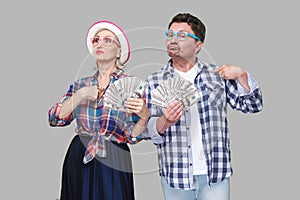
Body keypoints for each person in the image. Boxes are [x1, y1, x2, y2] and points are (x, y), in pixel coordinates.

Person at [145, 13, 263, 200]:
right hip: (176, 176)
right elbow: (145, 130)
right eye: (170, 35)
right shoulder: (154, 81)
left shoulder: (218, 76)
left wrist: (241, 74)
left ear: (198, 45)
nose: (172, 40)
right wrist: (164, 121)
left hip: (214, 175)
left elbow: (253, 105)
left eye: (182, 36)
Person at [48, 20, 149, 200]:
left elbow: (133, 136)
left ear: (119, 51)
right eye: (96, 40)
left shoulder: (132, 85)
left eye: (107, 40)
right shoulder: (80, 85)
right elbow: (55, 118)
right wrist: (80, 95)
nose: (99, 43)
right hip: (79, 153)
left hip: (114, 157)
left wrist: (143, 118)